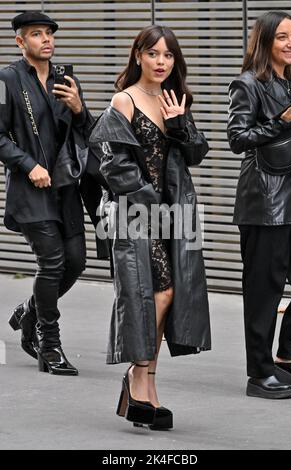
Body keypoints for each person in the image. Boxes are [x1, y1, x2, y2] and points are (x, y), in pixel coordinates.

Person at [89, 25, 211, 429]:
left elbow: (195, 154)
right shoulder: (123, 100)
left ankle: (146, 384)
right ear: (138, 55)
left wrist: (179, 124)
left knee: (170, 295)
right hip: (135, 213)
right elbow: (112, 164)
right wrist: (148, 199)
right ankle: (137, 375)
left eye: (169, 55)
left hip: (174, 214)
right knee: (158, 294)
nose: (161, 62)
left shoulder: (175, 99)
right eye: (154, 54)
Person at [0, 11, 93, 375]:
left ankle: (28, 311)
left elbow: (87, 131)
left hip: (66, 186)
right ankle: (48, 345)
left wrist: (79, 108)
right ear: (20, 42)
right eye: (36, 34)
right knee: (52, 263)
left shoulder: (65, 80)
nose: (46, 39)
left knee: (76, 261)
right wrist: (28, 164)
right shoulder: (6, 79)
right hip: (30, 188)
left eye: (49, 33)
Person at [227, 10, 291, 399]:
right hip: (265, 202)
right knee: (263, 291)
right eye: (282, 37)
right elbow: (237, 138)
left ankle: (285, 356)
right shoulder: (247, 84)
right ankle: (259, 372)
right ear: (266, 42)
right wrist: (283, 121)